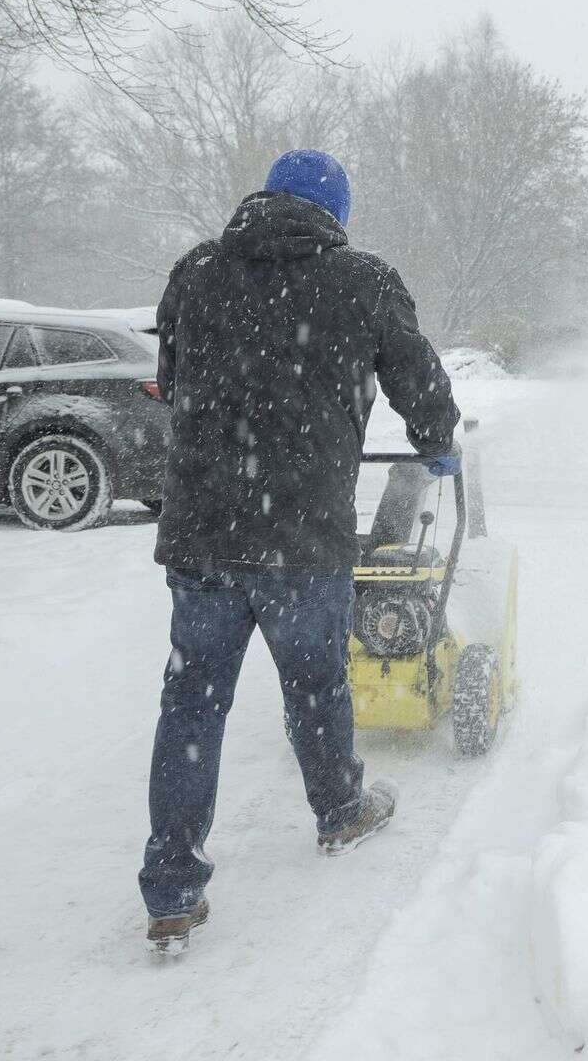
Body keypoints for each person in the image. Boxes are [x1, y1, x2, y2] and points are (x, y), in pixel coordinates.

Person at [140, 148, 460, 953]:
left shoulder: (198, 271)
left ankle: (173, 886)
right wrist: (438, 442)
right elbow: (414, 374)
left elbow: (171, 375)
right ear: (334, 213)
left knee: (192, 704)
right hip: (301, 534)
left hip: (204, 532)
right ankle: (339, 810)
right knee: (315, 684)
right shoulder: (362, 279)